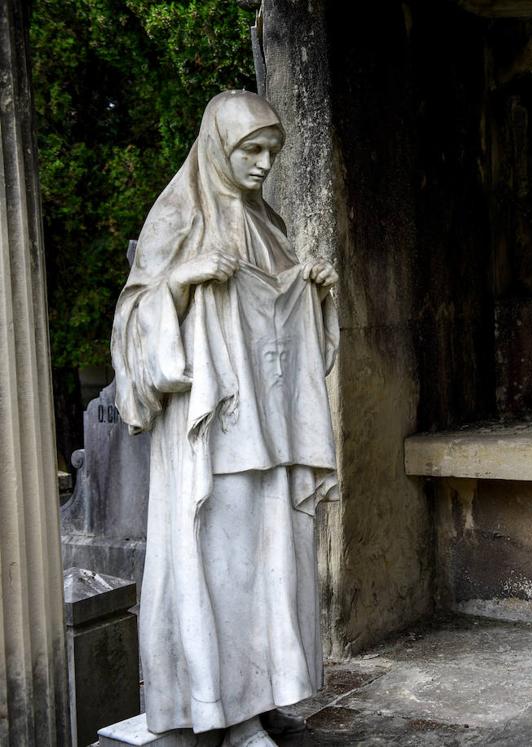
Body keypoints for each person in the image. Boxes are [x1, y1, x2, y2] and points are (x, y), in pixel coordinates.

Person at [111, 90, 339, 746]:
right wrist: (182, 279)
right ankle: (224, 712)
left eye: (273, 150)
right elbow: (130, 325)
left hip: (270, 430)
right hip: (212, 436)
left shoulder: (269, 224)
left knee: (275, 565)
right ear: (219, 146)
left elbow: (286, 336)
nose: (266, 163)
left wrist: (315, 295)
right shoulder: (177, 215)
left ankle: (263, 698)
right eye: (253, 149)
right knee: (225, 571)